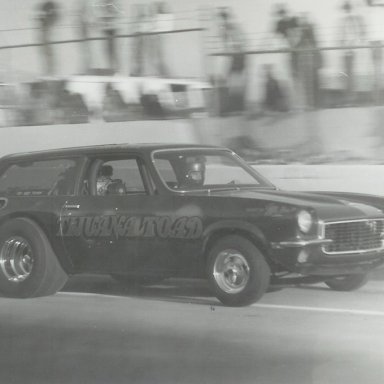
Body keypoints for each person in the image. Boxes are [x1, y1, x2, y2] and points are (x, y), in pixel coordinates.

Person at [36, 1, 60, 75]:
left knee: (49, 58)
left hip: (46, 41)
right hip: (45, 41)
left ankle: (50, 72)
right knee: (48, 58)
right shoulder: (46, 20)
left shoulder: (47, 20)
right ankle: (50, 72)